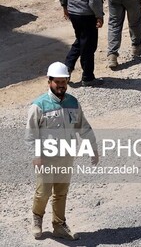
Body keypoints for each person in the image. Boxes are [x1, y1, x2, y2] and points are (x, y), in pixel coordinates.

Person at [25, 62, 99, 240]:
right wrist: (36, 156)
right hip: (46, 158)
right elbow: (31, 135)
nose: (61, 85)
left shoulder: (73, 103)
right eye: (57, 81)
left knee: (61, 192)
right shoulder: (38, 106)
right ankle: (37, 221)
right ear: (49, 81)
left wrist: (93, 148)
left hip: (66, 156)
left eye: (64, 81)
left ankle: (59, 225)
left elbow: (84, 128)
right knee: (43, 192)